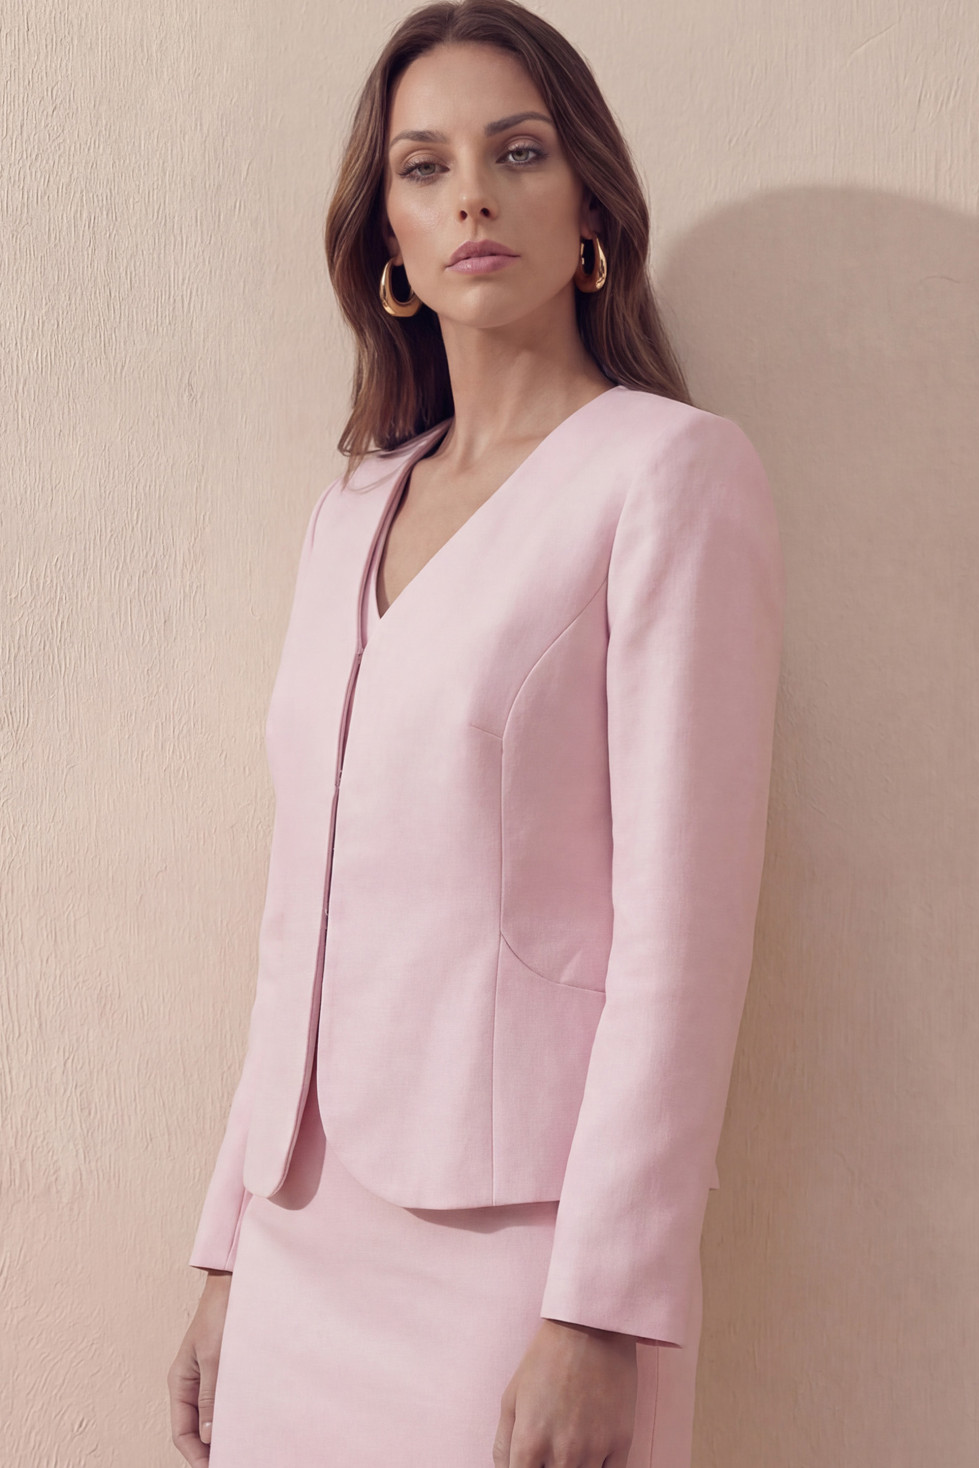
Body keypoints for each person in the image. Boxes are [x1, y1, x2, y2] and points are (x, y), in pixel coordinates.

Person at [166, 2, 786, 1465]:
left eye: (519, 153)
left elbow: (685, 936)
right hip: (300, 1234)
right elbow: (297, 918)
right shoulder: (349, 510)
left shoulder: (669, 475)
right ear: (387, 237)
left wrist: (606, 1310)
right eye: (424, 167)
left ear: (592, 211)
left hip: (528, 1255)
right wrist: (226, 1247)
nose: (473, 199)